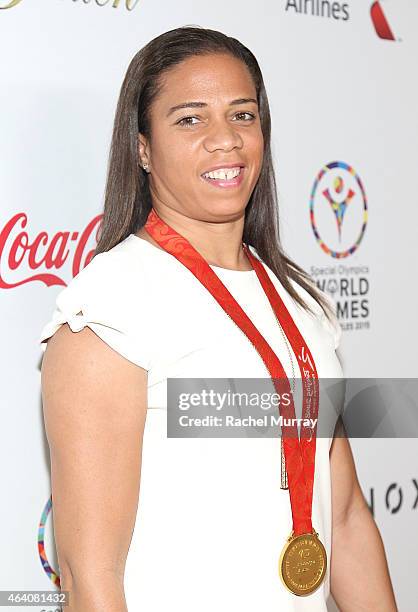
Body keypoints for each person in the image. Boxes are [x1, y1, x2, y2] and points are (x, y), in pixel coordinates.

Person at [39, 26, 397, 612]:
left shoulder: (300, 302)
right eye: (190, 119)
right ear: (142, 148)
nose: (225, 140)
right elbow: (90, 577)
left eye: (243, 115)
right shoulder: (109, 305)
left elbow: (349, 519)